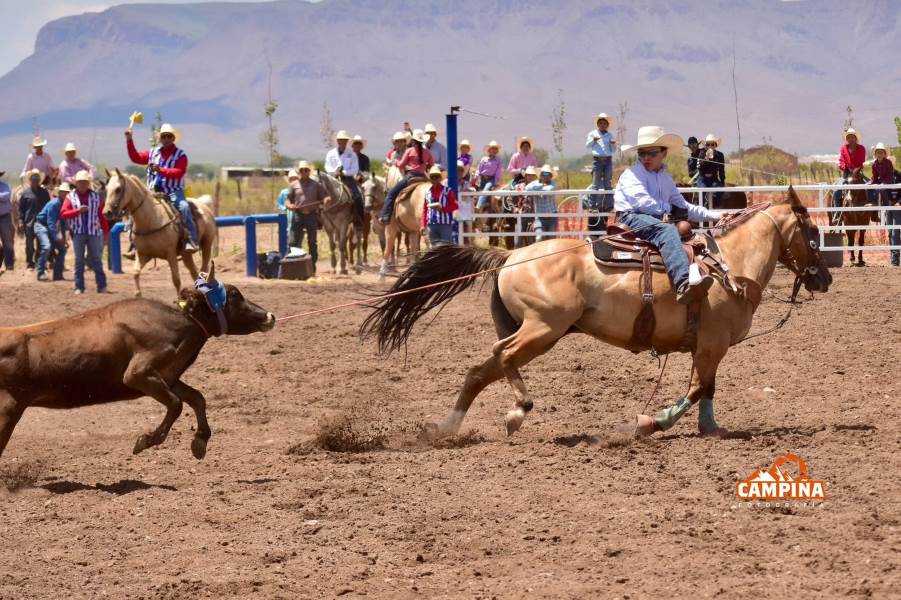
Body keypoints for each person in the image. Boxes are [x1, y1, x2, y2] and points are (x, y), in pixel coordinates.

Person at [613, 126, 723, 304]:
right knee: (667, 232)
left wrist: (716, 216)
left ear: (663, 153)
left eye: (652, 153)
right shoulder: (632, 174)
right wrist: (670, 208)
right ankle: (683, 283)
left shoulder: (665, 178)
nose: (646, 157)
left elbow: (684, 206)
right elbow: (644, 204)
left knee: (690, 237)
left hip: (649, 220)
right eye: (642, 153)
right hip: (630, 217)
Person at [125, 123, 199, 253]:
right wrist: (129, 140)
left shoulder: (181, 155)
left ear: (173, 138)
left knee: (184, 207)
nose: (166, 139)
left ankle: (190, 239)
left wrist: (161, 170)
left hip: (172, 191)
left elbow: (179, 172)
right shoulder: (152, 153)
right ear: (160, 138)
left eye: (169, 136)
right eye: (163, 136)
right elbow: (135, 158)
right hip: (152, 192)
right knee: (135, 210)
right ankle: (134, 243)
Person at [61, 170, 109, 294]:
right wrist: (77, 211)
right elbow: (63, 213)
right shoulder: (70, 197)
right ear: (76, 183)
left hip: (93, 232)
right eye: (80, 182)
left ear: (88, 183)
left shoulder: (96, 197)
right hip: (78, 233)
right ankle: (79, 287)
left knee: (97, 259)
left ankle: (102, 286)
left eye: (84, 182)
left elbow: (101, 215)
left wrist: (105, 232)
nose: (82, 185)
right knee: (79, 260)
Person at [379, 130, 434, 224]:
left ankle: (385, 216)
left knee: (391, 194)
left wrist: (395, 162)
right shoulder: (427, 152)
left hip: (411, 176)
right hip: (423, 177)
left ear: (413, 140)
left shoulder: (409, 151)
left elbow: (401, 165)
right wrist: (424, 166)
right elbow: (431, 164)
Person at [286, 161, 329, 273]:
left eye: (306, 170)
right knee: (294, 242)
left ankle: (312, 267)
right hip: (298, 215)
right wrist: (289, 205)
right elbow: (288, 200)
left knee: (312, 242)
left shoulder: (316, 185)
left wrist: (326, 200)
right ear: (299, 172)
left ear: (309, 171)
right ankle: (294, 267)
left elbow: (324, 197)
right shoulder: (293, 185)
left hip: (311, 216)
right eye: (301, 170)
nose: (304, 172)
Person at [325, 130, 365, 226]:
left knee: (357, 197)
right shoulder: (330, 153)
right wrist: (335, 172)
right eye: (340, 140)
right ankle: (320, 219)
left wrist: (343, 173)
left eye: (344, 140)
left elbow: (355, 169)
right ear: (337, 141)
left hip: (347, 179)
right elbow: (327, 166)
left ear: (347, 141)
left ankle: (359, 221)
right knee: (321, 195)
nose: (342, 141)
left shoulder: (352, 154)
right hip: (333, 179)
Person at [35, 182, 69, 281]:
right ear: (59, 193)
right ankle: (40, 273)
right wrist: (58, 238)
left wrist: (63, 239)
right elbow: (50, 222)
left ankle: (58, 275)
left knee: (63, 249)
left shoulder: (64, 205)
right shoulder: (54, 204)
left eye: (67, 193)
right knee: (46, 247)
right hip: (41, 226)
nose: (66, 194)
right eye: (64, 192)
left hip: (50, 227)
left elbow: (63, 223)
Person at [871, 142, 898, 266]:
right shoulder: (875, 164)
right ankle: (873, 206)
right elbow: (875, 176)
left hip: (890, 186)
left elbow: (889, 177)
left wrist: (882, 183)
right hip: (884, 188)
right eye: (878, 152)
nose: (880, 154)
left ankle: (895, 259)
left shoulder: (889, 165)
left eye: (882, 152)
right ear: (876, 154)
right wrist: (873, 182)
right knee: (892, 231)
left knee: (896, 231)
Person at [18, 168, 51, 270]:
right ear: (30, 179)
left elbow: (48, 207)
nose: (35, 179)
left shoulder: (44, 192)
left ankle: (39, 262)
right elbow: (21, 209)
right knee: (29, 245)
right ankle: (29, 263)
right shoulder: (25, 193)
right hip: (29, 222)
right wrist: (20, 221)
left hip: (41, 222)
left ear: (39, 179)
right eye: (33, 177)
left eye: (37, 177)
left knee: (41, 244)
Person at [421, 165, 458, 245]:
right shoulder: (427, 192)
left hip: (445, 224)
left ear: (440, 178)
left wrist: (443, 209)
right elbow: (425, 210)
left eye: (436, 176)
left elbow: (455, 205)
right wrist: (423, 225)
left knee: (446, 248)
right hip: (432, 225)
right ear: (430, 178)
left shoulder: (447, 191)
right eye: (432, 177)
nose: (434, 178)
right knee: (435, 250)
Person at [832, 128, 866, 209]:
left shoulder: (861, 148)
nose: (850, 139)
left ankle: (874, 213)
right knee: (837, 191)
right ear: (846, 139)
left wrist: (856, 169)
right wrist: (845, 167)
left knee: (869, 188)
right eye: (849, 137)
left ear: (856, 138)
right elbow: (841, 161)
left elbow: (862, 160)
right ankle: (837, 212)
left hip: (858, 172)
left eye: (852, 137)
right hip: (846, 173)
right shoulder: (843, 148)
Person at [526, 164, 558, 242]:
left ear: (551, 176)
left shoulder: (553, 184)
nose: (546, 176)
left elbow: (550, 190)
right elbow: (527, 189)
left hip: (552, 217)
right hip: (539, 218)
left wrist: (536, 189)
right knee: (539, 238)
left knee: (552, 240)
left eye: (548, 174)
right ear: (540, 175)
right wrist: (541, 185)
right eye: (544, 173)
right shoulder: (535, 183)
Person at [586, 113, 617, 190]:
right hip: (597, 160)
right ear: (597, 124)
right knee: (595, 183)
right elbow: (587, 145)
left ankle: (609, 202)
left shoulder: (610, 135)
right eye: (600, 123)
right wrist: (593, 140)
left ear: (607, 125)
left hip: (608, 160)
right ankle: (592, 202)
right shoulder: (593, 134)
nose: (602, 125)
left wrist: (613, 144)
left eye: (604, 123)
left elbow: (613, 150)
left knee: (608, 183)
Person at [696, 134, 726, 208]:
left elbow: (721, 170)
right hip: (703, 179)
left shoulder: (720, 155)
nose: (710, 146)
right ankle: (701, 208)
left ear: (715, 145)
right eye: (708, 144)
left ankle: (715, 206)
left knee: (720, 190)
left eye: (712, 144)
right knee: (701, 191)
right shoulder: (702, 153)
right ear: (706, 145)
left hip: (714, 179)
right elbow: (699, 167)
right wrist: (706, 159)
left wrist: (722, 182)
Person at [476, 141, 504, 210]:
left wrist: (495, 181)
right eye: (493, 149)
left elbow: (498, 172)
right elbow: (479, 169)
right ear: (489, 150)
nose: (494, 150)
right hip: (482, 178)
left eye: (495, 149)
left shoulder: (498, 160)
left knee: (486, 189)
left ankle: (478, 206)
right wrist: (476, 177)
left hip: (491, 179)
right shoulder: (484, 159)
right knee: (475, 191)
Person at [454, 160, 474, 245]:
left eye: (461, 170)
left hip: (464, 210)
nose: (459, 172)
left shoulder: (466, 183)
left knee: (466, 232)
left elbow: (467, 194)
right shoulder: (447, 182)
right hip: (454, 210)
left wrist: (468, 191)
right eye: (457, 170)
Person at [0, 171, 14, 271]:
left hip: (4, 216)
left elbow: (5, 196)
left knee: (7, 242)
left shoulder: (5, 186)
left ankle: (9, 264)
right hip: (4, 216)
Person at [277, 169, 299, 234]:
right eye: (291, 179)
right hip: (286, 214)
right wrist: (285, 208)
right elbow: (279, 204)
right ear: (289, 180)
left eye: (295, 179)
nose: (293, 181)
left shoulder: (301, 192)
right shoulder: (283, 192)